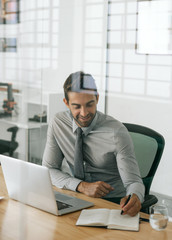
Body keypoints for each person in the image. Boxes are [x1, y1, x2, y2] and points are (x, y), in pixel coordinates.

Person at [42, 71, 145, 216]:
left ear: (97, 98)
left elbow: (134, 182)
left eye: (89, 105)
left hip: (113, 202)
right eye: (76, 106)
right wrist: (81, 186)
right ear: (66, 103)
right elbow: (48, 169)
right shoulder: (58, 123)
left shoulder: (116, 132)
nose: (84, 113)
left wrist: (135, 197)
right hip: (77, 196)